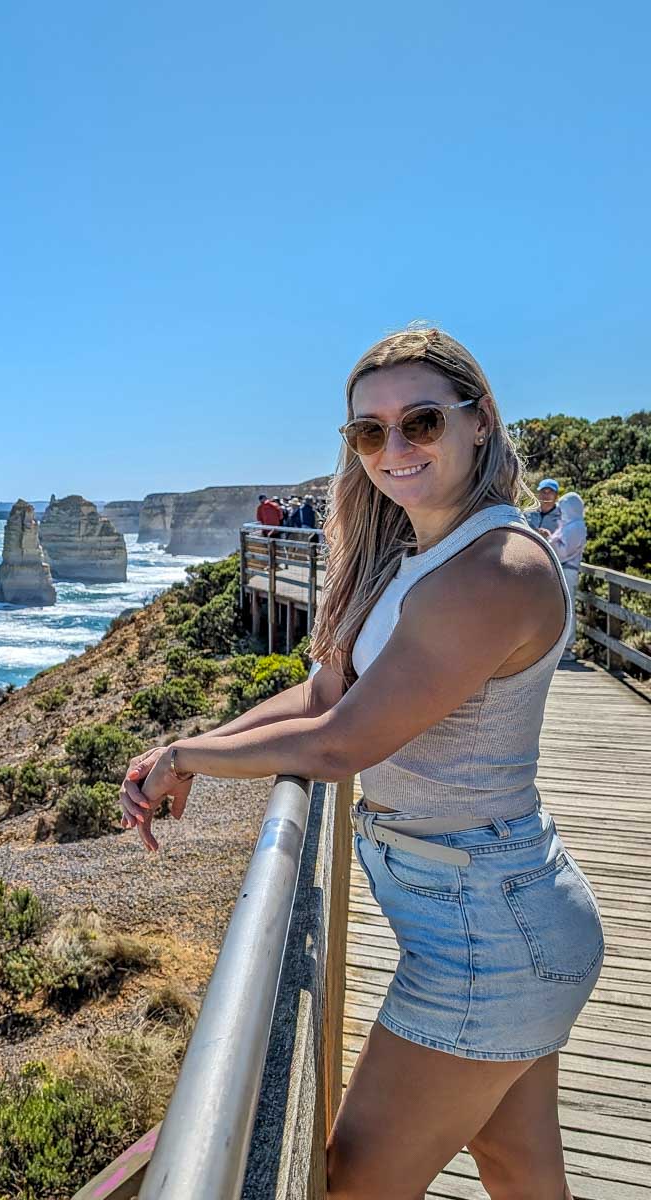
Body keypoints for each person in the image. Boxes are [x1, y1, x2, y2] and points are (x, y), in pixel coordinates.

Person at [119, 327, 602, 1199]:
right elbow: (321, 694)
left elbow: (342, 743)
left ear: (481, 422)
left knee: (353, 1187)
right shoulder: (416, 557)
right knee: (520, 1170)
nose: (393, 449)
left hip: (488, 933)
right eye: (368, 433)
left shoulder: (495, 568)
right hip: (493, 911)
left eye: (420, 422)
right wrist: (192, 747)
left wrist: (191, 755)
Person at [549, 492, 587, 661]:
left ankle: (568, 646)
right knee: (561, 608)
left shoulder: (576, 526)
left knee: (568, 608)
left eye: (564, 507)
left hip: (568, 570)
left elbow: (564, 552)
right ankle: (559, 645)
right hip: (561, 570)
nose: (561, 511)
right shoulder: (568, 524)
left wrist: (549, 541)